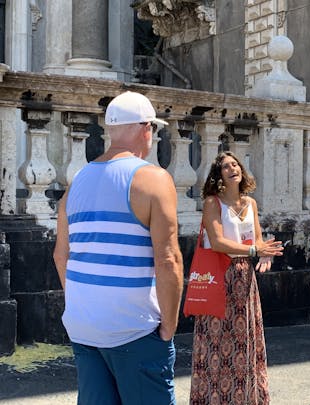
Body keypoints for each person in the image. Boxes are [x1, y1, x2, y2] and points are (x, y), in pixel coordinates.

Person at [53, 91, 184, 404]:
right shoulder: (153, 179)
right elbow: (168, 260)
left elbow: (61, 255)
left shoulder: (78, 179)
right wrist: (169, 324)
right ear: (145, 129)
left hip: (83, 324)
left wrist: (83, 304)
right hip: (133, 326)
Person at [189, 151, 283, 405]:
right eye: (225, 167)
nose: (232, 169)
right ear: (219, 176)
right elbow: (218, 242)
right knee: (216, 341)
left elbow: (258, 239)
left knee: (243, 340)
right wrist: (254, 251)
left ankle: (244, 397)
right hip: (220, 275)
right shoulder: (213, 202)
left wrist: (266, 254)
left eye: (235, 164)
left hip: (244, 279)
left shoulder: (250, 203)